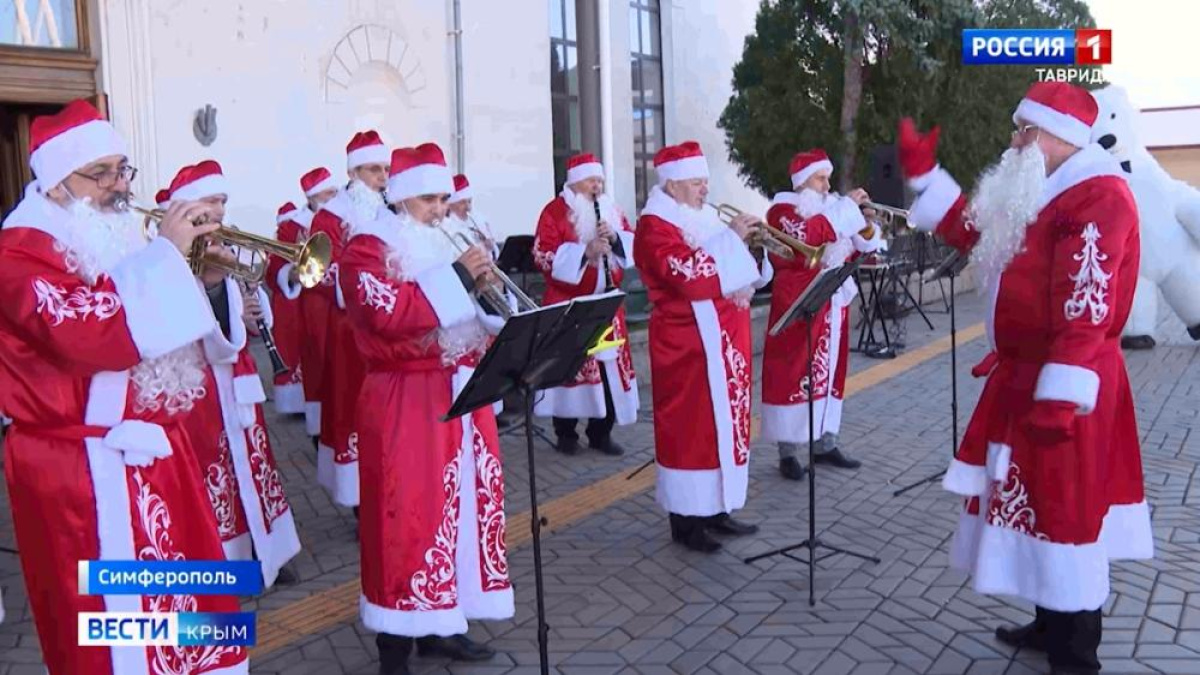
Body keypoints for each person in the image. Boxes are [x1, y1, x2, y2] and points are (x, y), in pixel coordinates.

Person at [898, 81, 1153, 675]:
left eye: (1024, 130)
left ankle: (1076, 653)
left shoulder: (1098, 197)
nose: (1013, 141)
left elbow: (1086, 301)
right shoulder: (1038, 188)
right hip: (1028, 379)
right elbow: (978, 231)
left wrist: (1062, 394)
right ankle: (1048, 622)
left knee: (1068, 511)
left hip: (1069, 383)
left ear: (1059, 138)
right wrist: (927, 178)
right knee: (1039, 504)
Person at [0, 99, 249, 674]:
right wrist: (167, 255)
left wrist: (206, 282)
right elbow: (89, 332)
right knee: (107, 634)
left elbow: (165, 339)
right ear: (59, 183)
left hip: (151, 456)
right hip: (77, 472)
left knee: (189, 620)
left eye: (123, 169)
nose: (119, 187)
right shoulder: (17, 255)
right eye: (102, 173)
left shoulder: (114, 238)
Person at [339, 143, 512, 675]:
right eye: (433, 199)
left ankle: (446, 624)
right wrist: (460, 277)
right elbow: (388, 315)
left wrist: (485, 290)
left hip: (461, 392)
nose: (444, 209)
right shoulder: (366, 249)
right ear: (406, 198)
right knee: (405, 519)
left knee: (460, 514)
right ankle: (395, 645)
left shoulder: (443, 241)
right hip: (404, 402)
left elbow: (464, 316)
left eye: (445, 199)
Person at [166, 159, 302, 588]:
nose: (221, 211)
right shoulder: (166, 252)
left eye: (222, 200)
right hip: (197, 383)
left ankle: (268, 552)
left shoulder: (230, 243)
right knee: (215, 474)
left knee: (254, 465)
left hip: (237, 376)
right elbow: (169, 319)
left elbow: (250, 298)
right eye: (211, 200)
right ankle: (226, 565)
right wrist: (222, 301)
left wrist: (252, 305)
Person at [632, 141, 772, 553]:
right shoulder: (654, 227)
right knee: (690, 429)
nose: (705, 190)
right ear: (673, 185)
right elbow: (690, 275)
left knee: (721, 427)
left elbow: (733, 271)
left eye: (705, 182)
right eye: (696, 183)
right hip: (686, 345)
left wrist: (753, 246)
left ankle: (717, 509)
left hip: (722, 340)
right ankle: (686, 522)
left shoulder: (702, 217)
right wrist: (731, 239)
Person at [760, 150, 885, 480]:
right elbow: (806, 238)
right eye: (820, 178)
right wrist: (844, 211)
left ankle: (825, 442)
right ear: (803, 182)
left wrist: (866, 222)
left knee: (830, 374)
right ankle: (787, 451)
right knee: (793, 374)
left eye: (828, 178)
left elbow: (859, 247)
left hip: (832, 300)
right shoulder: (781, 211)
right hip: (798, 301)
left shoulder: (830, 210)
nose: (827, 185)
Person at [532, 153, 639, 456]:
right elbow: (543, 255)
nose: (598, 186)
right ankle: (565, 433)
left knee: (606, 373)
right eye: (592, 180)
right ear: (575, 181)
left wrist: (615, 239)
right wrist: (584, 253)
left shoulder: (611, 209)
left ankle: (600, 432)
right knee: (568, 369)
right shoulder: (553, 212)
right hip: (570, 305)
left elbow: (631, 243)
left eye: (600, 180)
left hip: (606, 306)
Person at [312, 133, 389, 513]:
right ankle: (361, 501)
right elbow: (319, 273)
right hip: (350, 331)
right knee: (353, 409)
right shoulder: (330, 217)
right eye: (375, 169)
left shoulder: (388, 210)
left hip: (390, 329)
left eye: (386, 169)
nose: (383, 177)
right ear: (354, 171)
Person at [294, 167, 339, 438]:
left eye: (335, 191)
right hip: (314, 303)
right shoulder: (296, 223)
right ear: (313, 196)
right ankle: (319, 427)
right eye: (328, 192)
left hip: (337, 302)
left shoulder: (339, 217)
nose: (334, 196)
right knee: (319, 361)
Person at [264, 202, 307, 416]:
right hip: (286, 305)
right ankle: (293, 398)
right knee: (289, 348)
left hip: (301, 301)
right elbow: (272, 273)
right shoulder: (277, 246)